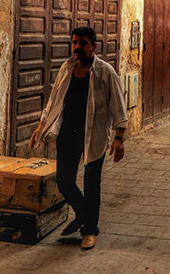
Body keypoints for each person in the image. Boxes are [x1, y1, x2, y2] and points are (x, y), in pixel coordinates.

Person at [29, 26, 127, 250]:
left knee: (92, 183)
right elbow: (54, 100)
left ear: (93, 46)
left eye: (83, 43)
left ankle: (89, 230)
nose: (77, 47)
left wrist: (119, 138)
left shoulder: (105, 72)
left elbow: (119, 108)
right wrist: (41, 124)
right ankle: (83, 213)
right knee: (64, 180)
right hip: (68, 132)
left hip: (94, 135)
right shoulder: (67, 67)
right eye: (74, 43)